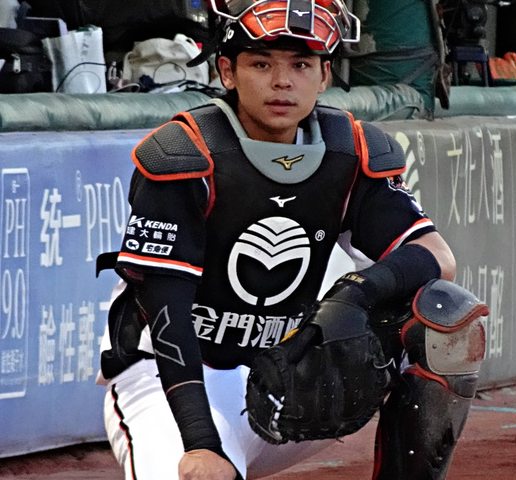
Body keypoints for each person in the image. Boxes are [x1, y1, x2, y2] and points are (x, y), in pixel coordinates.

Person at [96, 1, 487, 479]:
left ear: (324, 76)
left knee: (443, 314)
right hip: (171, 380)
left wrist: (355, 294)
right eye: (262, 65)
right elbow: (167, 317)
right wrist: (201, 445)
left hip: (280, 375)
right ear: (227, 72)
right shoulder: (184, 154)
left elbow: (436, 257)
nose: (282, 82)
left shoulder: (350, 150)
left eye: (301, 65)